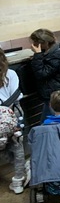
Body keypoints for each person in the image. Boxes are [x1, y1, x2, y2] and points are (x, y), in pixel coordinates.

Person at [0, 49, 29, 194]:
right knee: (17, 146)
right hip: (14, 114)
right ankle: (19, 179)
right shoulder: (11, 74)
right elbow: (16, 95)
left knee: (2, 147)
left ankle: (22, 170)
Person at [30, 28, 60, 122]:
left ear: (43, 43)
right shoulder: (56, 51)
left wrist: (37, 55)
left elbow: (42, 73)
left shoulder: (56, 56)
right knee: (47, 122)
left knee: (56, 122)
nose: (33, 45)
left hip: (55, 94)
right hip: (53, 92)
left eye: (35, 42)